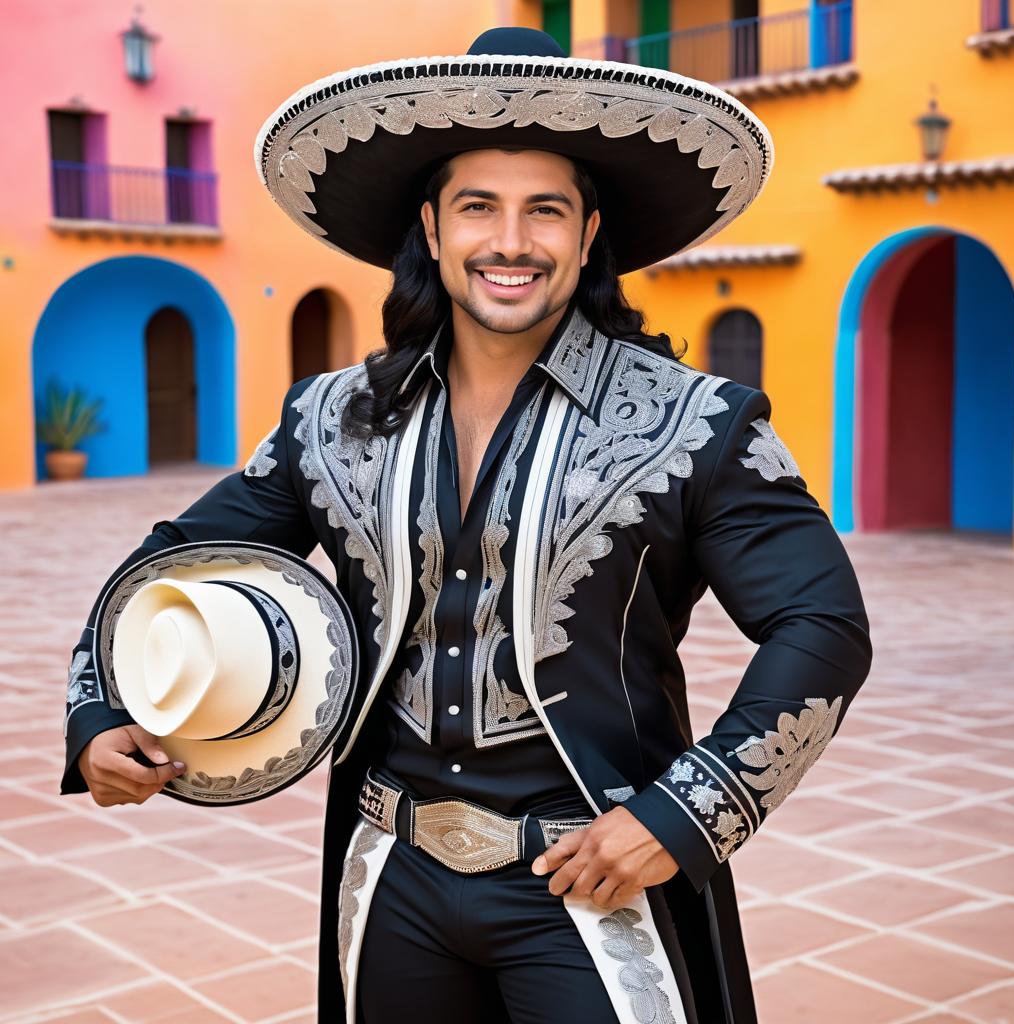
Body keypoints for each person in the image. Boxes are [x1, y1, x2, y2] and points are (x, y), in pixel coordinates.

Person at [61, 27, 872, 1024]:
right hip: (388, 868)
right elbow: (174, 559)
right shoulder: (332, 415)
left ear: (586, 235)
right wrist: (99, 710)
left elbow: (821, 625)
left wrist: (683, 815)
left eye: (545, 210)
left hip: (593, 875)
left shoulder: (693, 420)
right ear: (434, 231)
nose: (511, 242)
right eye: (478, 207)